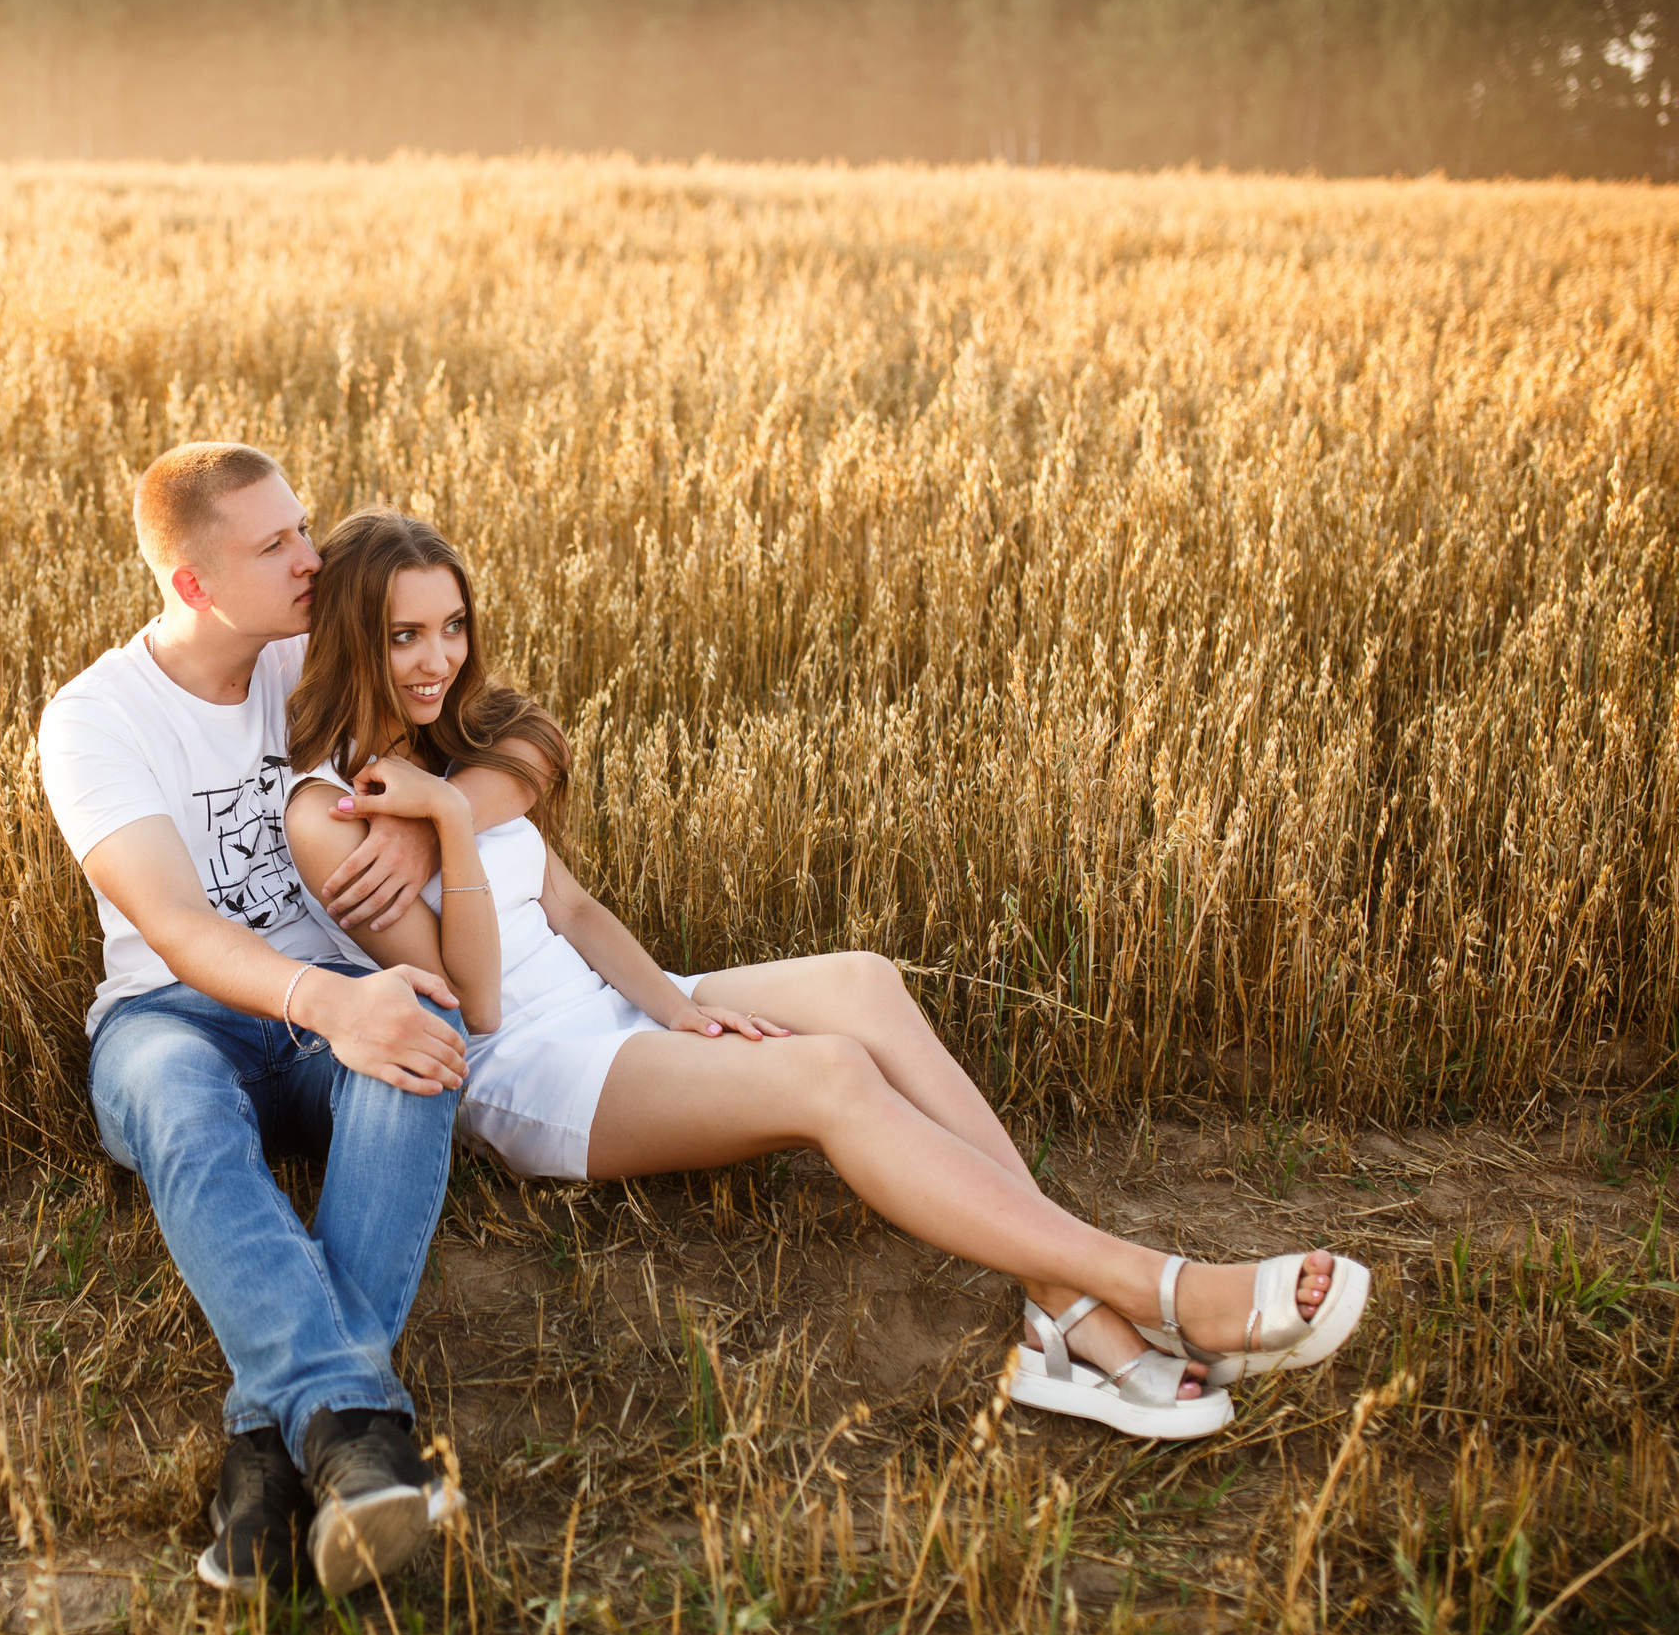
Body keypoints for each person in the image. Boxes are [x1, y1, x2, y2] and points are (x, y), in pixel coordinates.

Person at [279, 509, 1374, 1441]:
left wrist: (675, 1008)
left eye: (453, 627)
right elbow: (472, 1004)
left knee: (858, 982)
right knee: (832, 1075)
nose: (438, 658)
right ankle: (1148, 1288)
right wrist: (453, 839)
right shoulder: (329, 818)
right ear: (349, 639)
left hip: (614, 1003)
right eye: (405, 634)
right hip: (527, 1069)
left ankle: (1061, 1309)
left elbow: (569, 908)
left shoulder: (455, 752)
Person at [36, 445, 540, 1598]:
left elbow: (521, 733)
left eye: (303, 529)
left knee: (417, 1034)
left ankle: (274, 1452)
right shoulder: (95, 719)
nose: (314, 562)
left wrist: (430, 818)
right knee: (179, 1101)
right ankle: (357, 1429)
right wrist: (329, 999)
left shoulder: (319, 653)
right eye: (276, 548)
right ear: (193, 583)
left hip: (334, 1007)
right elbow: (171, 923)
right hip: (173, 1017)